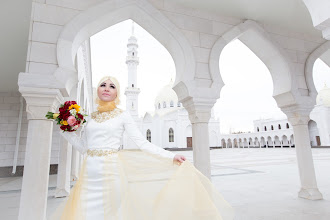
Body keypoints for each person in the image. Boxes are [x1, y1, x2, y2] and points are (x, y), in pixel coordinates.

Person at [49, 76, 234, 220]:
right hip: (89, 174)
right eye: (103, 84)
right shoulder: (88, 117)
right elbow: (84, 148)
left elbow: (142, 143)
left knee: (111, 213)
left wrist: (170, 156)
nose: (107, 88)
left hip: (111, 173)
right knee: (86, 213)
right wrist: (64, 129)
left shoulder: (123, 116)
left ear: (117, 93)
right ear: (97, 89)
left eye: (112, 86)